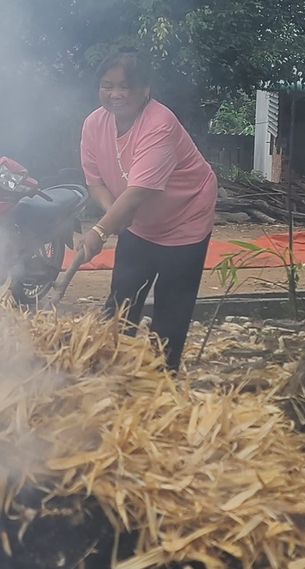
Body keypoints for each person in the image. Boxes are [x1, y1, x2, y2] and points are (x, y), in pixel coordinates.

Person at [73, 51, 218, 371]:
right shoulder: (93, 124)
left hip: (185, 216)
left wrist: (100, 230)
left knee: (171, 307)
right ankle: (108, 369)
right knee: (122, 299)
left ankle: (161, 381)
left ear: (145, 90)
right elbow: (94, 181)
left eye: (124, 86)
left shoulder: (159, 124)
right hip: (137, 221)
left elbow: (138, 192)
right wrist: (115, 215)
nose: (115, 94)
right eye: (106, 86)